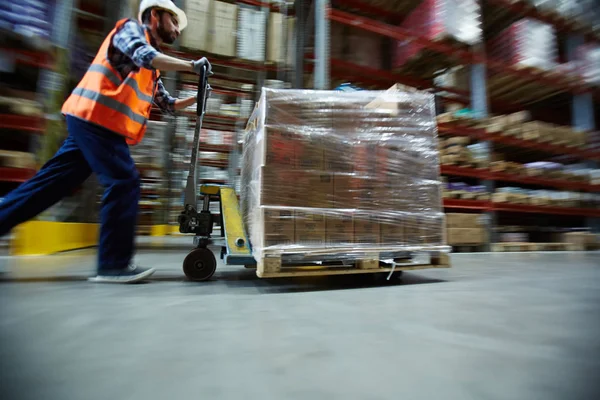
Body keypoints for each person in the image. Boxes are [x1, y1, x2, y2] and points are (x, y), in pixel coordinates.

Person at [0, 0, 212, 283]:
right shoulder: (129, 30)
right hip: (95, 119)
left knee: (47, 187)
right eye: (173, 20)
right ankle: (113, 265)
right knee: (124, 181)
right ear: (154, 16)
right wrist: (191, 66)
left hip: (94, 122)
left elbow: (168, 104)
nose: (177, 29)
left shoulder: (153, 67)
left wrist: (197, 98)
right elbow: (144, 54)